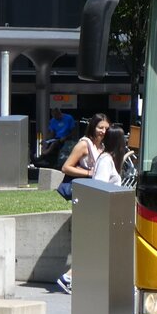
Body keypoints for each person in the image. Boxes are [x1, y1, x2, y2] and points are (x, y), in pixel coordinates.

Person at [56, 114, 109, 293]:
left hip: (98, 196)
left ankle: (76, 277)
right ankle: (70, 277)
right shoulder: (84, 144)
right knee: (92, 238)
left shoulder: (102, 146)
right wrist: (89, 173)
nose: (103, 131)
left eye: (106, 128)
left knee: (96, 239)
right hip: (85, 196)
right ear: (93, 126)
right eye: (100, 127)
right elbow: (66, 167)